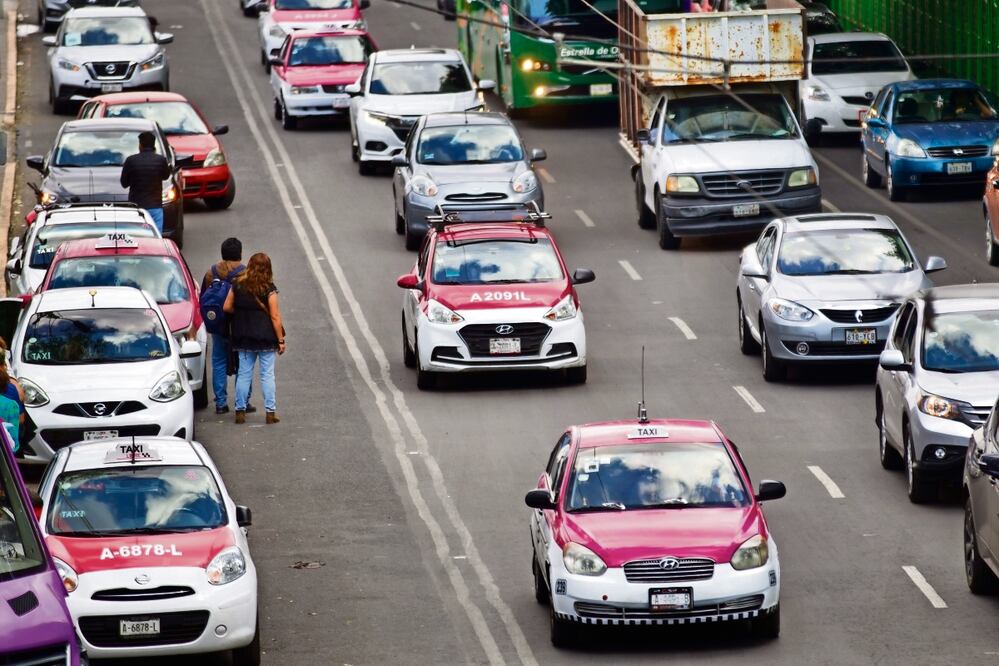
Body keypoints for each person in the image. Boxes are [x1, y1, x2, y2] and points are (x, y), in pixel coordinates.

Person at [223, 253, 286, 424]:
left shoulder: (237, 284)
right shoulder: (269, 288)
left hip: (243, 336)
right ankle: (270, 412)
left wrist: (243, 313)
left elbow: (227, 307)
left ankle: (240, 411)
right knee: (267, 375)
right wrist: (280, 340)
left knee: (244, 374)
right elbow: (274, 316)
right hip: (266, 337)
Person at [202, 237, 254, 416]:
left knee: (218, 360)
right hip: (239, 325)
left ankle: (221, 403)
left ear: (222, 253)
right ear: (240, 253)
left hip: (218, 325)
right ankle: (244, 401)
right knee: (243, 363)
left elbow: (204, 297)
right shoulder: (245, 273)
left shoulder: (212, 272)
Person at [120, 131, 171, 233]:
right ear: (153, 145)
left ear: (140, 145)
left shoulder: (131, 160)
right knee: (156, 236)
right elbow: (166, 176)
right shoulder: (161, 160)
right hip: (155, 206)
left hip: (137, 207)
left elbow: (124, 183)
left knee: (138, 236)